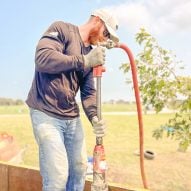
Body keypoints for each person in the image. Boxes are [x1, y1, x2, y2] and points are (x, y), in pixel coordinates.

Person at [26, 8, 119, 191]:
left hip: (71, 118)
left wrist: (94, 117)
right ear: (98, 21)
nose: (104, 39)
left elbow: (88, 92)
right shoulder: (62, 29)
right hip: (46, 113)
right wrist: (84, 60)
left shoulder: (89, 54)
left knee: (79, 169)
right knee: (58, 176)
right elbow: (43, 58)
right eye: (106, 33)